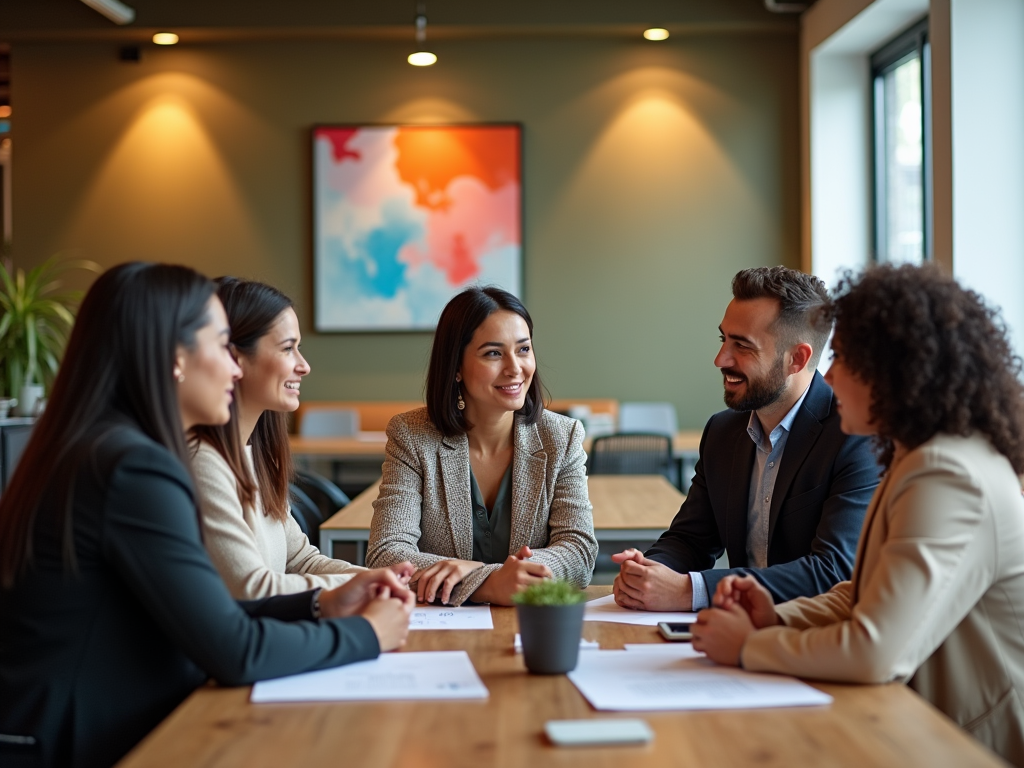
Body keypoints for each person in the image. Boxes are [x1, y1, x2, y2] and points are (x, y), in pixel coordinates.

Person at [0, 263, 415, 768]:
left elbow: (208, 613)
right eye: (223, 346)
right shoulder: (134, 467)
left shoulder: (99, 446)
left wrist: (319, 606)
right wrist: (368, 635)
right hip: (80, 742)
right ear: (176, 357)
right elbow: (232, 649)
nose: (236, 368)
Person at [691, 265, 1024, 766]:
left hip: (969, 743)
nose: (830, 375)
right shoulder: (922, 456)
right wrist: (773, 616)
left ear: (900, 375)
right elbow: (863, 592)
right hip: (914, 720)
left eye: (845, 359)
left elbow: (876, 651)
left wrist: (749, 647)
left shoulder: (946, 474)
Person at [612, 266, 880, 611]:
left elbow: (833, 572)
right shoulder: (723, 432)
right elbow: (690, 539)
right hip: (733, 633)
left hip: (809, 640)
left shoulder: (854, 437)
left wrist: (690, 591)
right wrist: (648, 572)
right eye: (724, 339)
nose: (720, 359)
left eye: (743, 346)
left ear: (796, 359)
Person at [366, 286, 598, 606]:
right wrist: (489, 582)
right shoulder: (412, 435)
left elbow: (579, 552)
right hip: (440, 633)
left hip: (528, 628)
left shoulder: (562, 436)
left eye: (523, 349)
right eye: (493, 353)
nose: (515, 368)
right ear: (456, 367)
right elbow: (385, 554)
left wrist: (480, 574)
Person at [191, 278, 365, 598]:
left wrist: (387, 579)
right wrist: (365, 585)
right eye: (288, 348)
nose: (304, 366)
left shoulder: (257, 454)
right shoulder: (202, 462)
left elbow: (299, 559)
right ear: (234, 357)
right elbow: (253, 589)